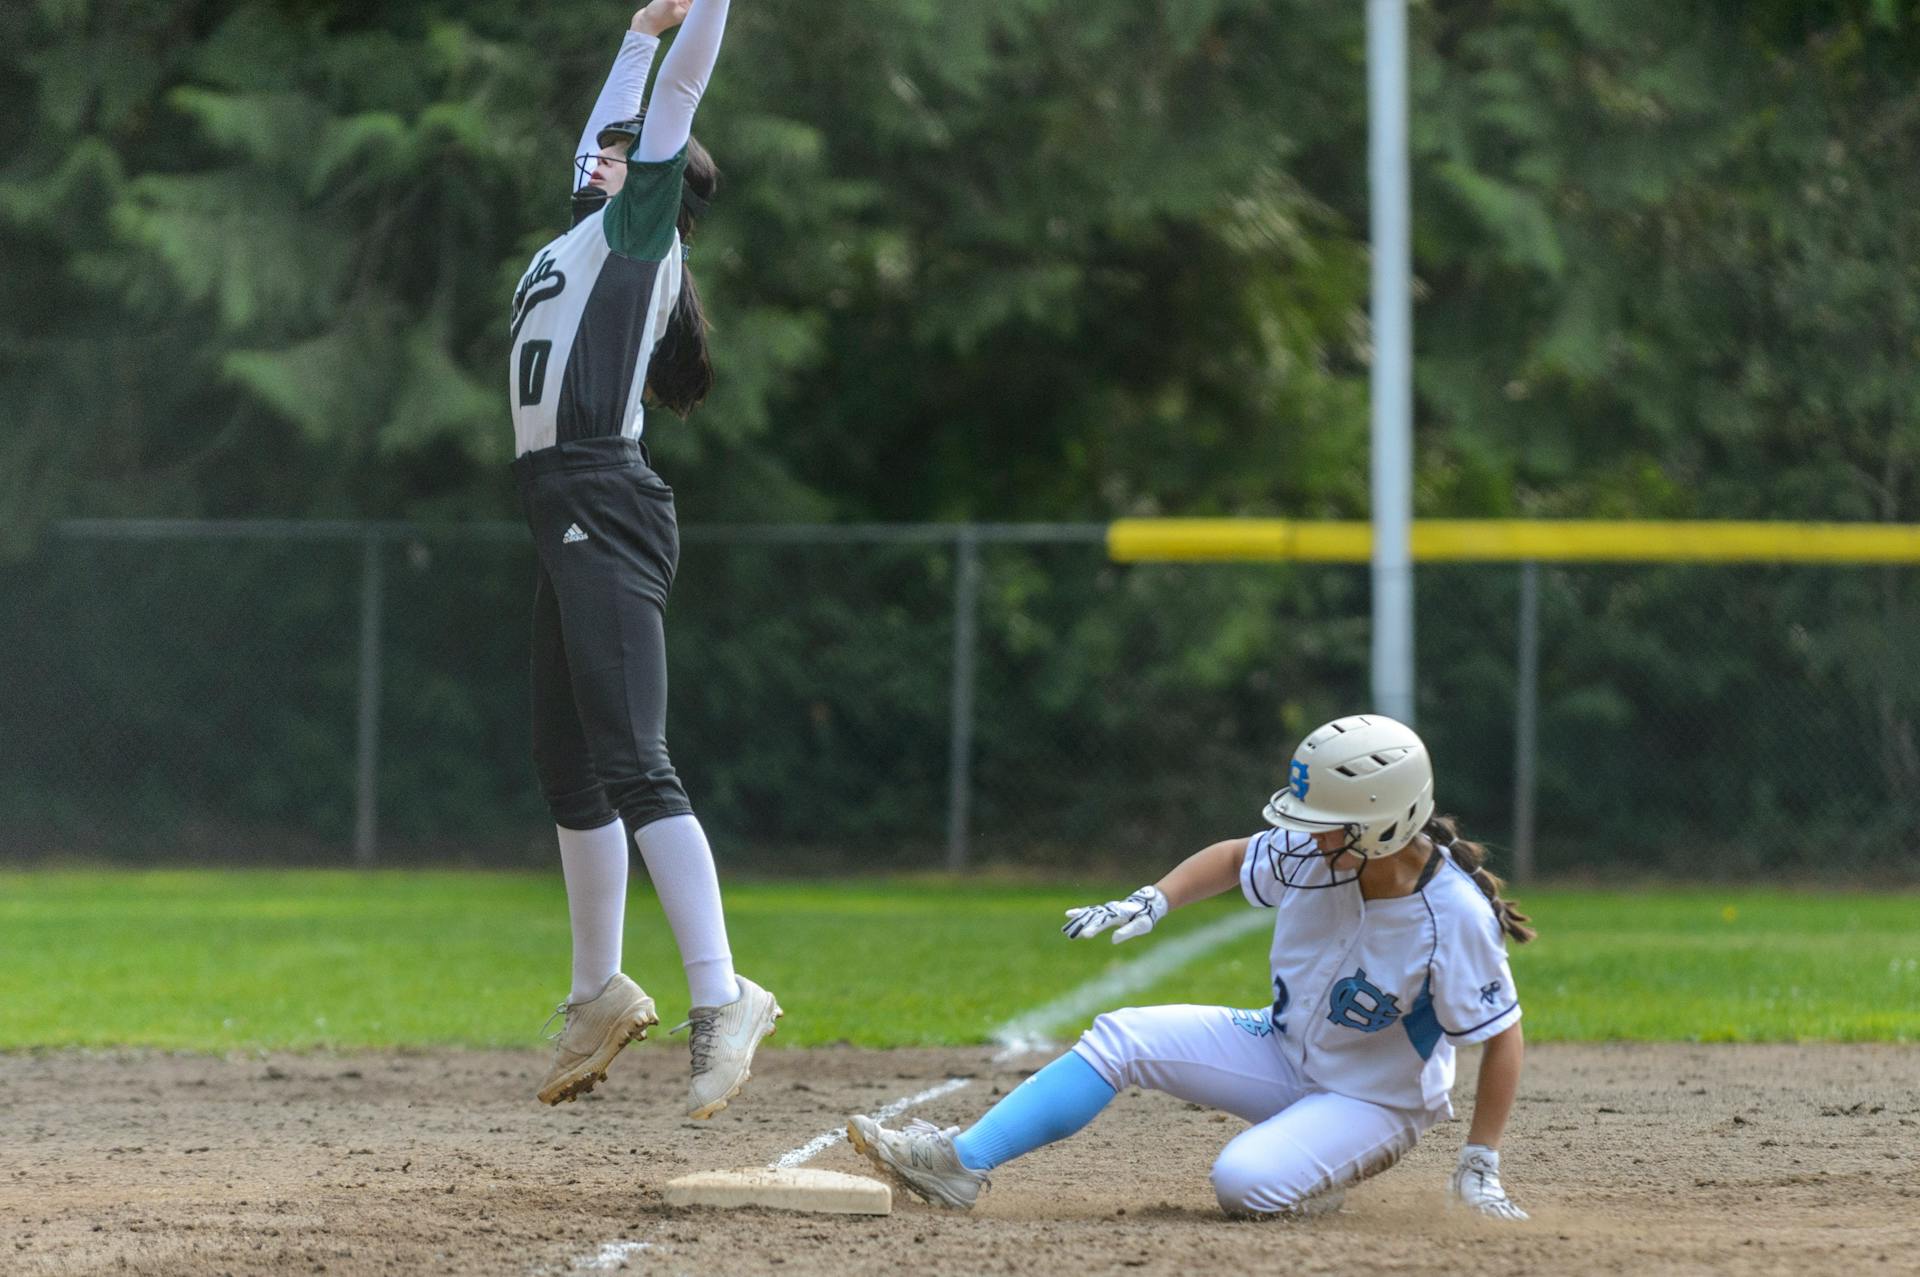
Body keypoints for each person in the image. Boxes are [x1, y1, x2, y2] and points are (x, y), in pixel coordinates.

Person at [848, 715, 1535, 1219]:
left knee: (1242, 1182)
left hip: (1374, 1101)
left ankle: (1315, 1167)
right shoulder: (1321, 849)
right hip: (1282, 1047)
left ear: (1383, 823)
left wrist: (1480, 1160)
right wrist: (1155, 898)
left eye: (1323, 817)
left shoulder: (1452, 915)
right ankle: (960, 1164)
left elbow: (1500, 1034)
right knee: (1122, 1036)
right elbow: (1237, 856)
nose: (1302, 830)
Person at [508, 0, 780, 1120]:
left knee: (633, 760)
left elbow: (674, 96)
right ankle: (599, 990)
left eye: (620, 152)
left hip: (603, 500)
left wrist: (697, 15)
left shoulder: (639, 231)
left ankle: (723, 994)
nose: (600, 152)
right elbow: (612, 119)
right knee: (566, 765)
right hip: (559, 504)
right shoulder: (592, 224)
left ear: (656, 176)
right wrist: (633, 29)